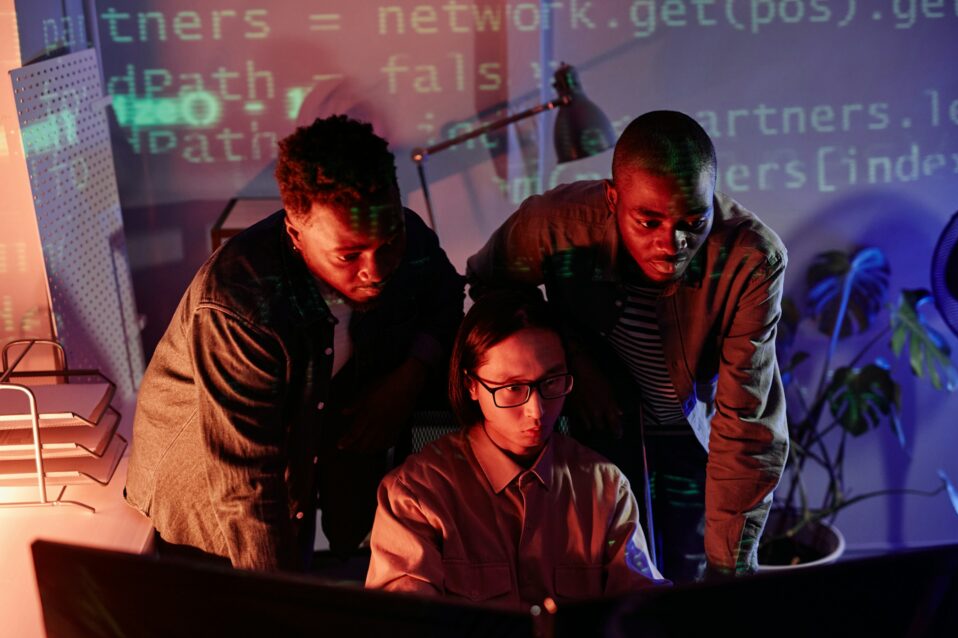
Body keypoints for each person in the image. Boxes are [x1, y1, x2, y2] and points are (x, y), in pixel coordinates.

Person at [125, 115, 465, 571]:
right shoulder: (240, 304)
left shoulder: (407, 235)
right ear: (296, 235)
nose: (378, 269)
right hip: (206, 487)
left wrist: (408, 378)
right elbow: (246, 487)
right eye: (349, 256)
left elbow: (445, 297)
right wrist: (285, 613)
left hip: (297, 456)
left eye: (389, 241)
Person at [466, 110, 788, 581]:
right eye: (649, 221)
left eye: (692, 222)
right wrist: (570, 354)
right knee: (592, 580)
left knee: (690, 581)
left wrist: (730, 579)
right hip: (591, 437)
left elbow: (745, 425)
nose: (672, 242)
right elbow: (488, 285)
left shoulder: (751, 260)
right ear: (613, 198)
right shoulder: (556, 225)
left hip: (691, 440)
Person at [365, 291, 666, 607]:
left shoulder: (604, 487)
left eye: (551, 383)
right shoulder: (417, 493)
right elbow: (404, 630)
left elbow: (641, 610)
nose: (537, 411)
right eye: (512, 388)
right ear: (471, 385)